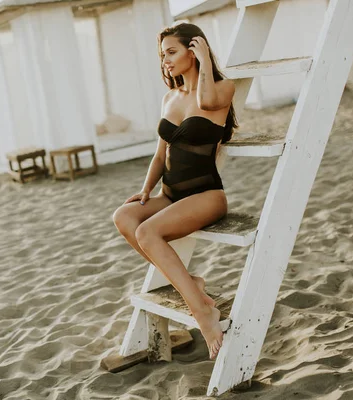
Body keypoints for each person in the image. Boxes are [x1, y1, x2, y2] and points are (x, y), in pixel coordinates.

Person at [112, 23, 238, 360]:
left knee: (148, 232)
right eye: (162, 55)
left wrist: (206, 63)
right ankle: (191, 283)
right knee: (125, 216)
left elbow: (207, 99)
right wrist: (144, 191)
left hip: (206, 196)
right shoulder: (170, 97)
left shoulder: (222, 89)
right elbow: (159, 154)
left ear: (193, 51)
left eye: (172, 52)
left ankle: (203, 313)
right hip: (170, 194)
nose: (165, 61)